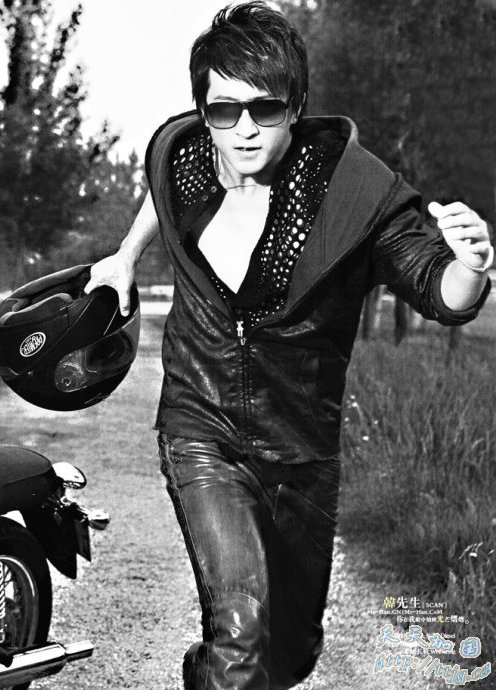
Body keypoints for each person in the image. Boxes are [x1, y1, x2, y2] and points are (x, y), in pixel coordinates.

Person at [85, 3, 493, 688]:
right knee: (241, 633)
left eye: (264, 109)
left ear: (294, 106)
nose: (243, 129)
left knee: (288, 655)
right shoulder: (186, 152)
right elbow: (161, 181)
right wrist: (125, 256)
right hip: (201, 429)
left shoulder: (356, 194)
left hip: (301, 449)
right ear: (203, 112)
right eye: (223, 111)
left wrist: (471, 267)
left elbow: (438, 290)